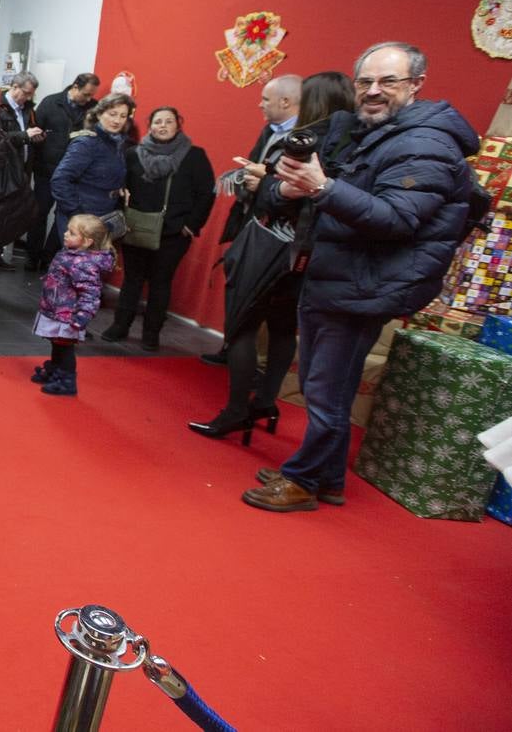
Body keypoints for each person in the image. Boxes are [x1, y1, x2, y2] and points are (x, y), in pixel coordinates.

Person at [241, 42, 476, 512]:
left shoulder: (425, 144)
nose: (373, 91)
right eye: (365, 81)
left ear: (415, 86)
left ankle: (303, 480)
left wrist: (323, 188)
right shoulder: (380, 133)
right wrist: (293, 187)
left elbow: (396, 218)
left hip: (364, 286)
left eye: (387, 81)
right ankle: (328, 478)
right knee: (327, 386)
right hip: (341, 276)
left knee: (326, 393)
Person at [190, 72, 354, 440]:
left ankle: (235, 411)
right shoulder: (353, 142)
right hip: (311, 251)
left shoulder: (308, 144)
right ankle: (264, 401)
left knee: (241, 327)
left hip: (272, 244)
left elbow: (278, 196)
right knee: (283, 327)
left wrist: (261, 182)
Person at [202, 73, 302, 365]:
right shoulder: (268, 131)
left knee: (265, 305)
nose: (260, 105)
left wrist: (265, 182)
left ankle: (247, 368)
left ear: (285, 101)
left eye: (266, 99)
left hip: (277, 233)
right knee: (238, 289)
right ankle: (231, 347)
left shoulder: (302, 139)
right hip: (251, 222)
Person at [101, 106, 216, 350]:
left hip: (174, 232)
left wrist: (191, 225)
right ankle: (120, 326)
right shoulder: (133, 154)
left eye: (169, 121)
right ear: (150, 125)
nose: (162, 126)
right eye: (157, 121)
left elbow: (206, 194)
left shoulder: (194, 155)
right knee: (132, 280)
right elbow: (119, 186)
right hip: (137, 228)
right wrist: (121, 218)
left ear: (178, 125)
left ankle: (151, 333)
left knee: (161, 282)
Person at [0, 74, 41, 307]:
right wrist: (24, 136)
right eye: (26, 92)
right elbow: (1, 140)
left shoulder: (28, 110)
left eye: (31, 94)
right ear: (14, 87)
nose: (28, 97)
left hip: (13, 178)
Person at [29, 214, 115, 396]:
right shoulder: (70, 253)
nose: (66, 234)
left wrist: (82, 316)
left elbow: (91, 293)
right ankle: (55, 369)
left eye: (72, 233)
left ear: (87, 242)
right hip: (56, 308)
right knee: (57, 343)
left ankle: (67, 381)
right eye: (68, 230)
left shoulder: (82, 264)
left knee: (65, 348)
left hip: (68, 315)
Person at [29, 73, 100, 271]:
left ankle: (49, 256)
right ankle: (32, 257)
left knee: (66, 215)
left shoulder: (94, 108)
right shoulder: (51, 102)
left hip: (73, 174)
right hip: (46, 169)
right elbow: (34, 129)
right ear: (75, 86)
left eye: (91, 95)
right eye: (86, 94)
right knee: (39, 213)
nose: (88, 99)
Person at [50, 91, 134, 254]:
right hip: (81, 215)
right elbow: (60, 180)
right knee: (77, 268)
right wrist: (76, 215)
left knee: (89, 269)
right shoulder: (87, 142)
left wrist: (120, 187)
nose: (117, 120)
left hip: (102, 215)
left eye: (123, 116)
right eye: (112, 114)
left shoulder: (116, 143)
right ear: (100, 113)